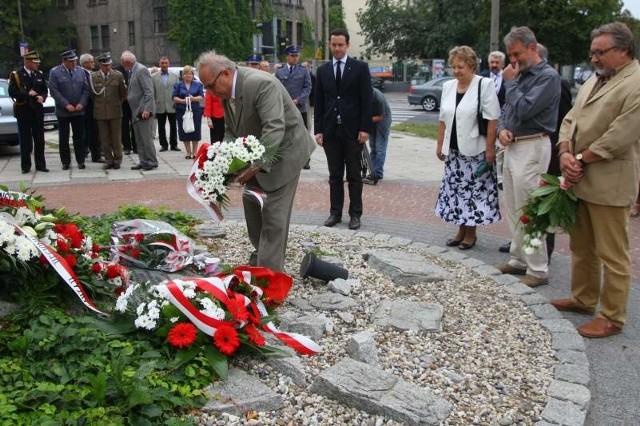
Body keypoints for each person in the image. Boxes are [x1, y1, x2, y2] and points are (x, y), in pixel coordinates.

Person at [550, 22, 640, 338]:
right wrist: (564, 152)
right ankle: (584, 298)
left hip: (610, 181)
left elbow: (622, 133)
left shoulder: (636, 82)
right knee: (582, 245)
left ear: (623, 50)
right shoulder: (594, 80)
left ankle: (612, 316)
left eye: (600, 52)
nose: (594, 58)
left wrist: (580, 159)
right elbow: (571, 119)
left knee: (613, 253)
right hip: (580, 178)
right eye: (593, 52)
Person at [196, 50, 315, 272]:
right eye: (206, 87)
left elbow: (274, 127)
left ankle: (269, 276)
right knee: (252, 206)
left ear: (225, 74)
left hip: (285, 153)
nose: (209, 92)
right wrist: (223, 161)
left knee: (273, 217)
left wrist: (256, 166)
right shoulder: (225, 93)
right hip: (254, 154)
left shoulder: (261, 84)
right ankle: (262, 253)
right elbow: (232, 131)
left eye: (210, 85)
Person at [496, 26, 560, 288]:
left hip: (533, 146)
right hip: (513, 146)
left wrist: (510, 83)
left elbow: (525, 109)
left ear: (532, 48)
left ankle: (538, 267)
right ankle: (518, 258)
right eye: (510, 54)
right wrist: (501, 130)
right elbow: (507, 111)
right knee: (512, 206)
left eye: (516, 53)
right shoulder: (519, 75)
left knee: (530, 210)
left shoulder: (547, 77)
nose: (513, 60)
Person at [435, 46, 501, 250]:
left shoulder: (485, 84)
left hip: (475, 151)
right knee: (456, 192)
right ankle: (461, 229)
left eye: (460, 67)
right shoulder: (448, 86)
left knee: (473, 193)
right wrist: (439, 144)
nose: (456, 71)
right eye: (453, 66)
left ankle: (471, 233)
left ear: (471, 66)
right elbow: (443, 119)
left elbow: (492, 119)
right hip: (454, 151)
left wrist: (490, 149)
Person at [314, 28, 373, 230]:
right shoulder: (323, 71)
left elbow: (367, 101)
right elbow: (319, 102)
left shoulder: (360, 68)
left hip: (353, 131)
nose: (337, 48)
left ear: (347, 45)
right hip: (331, 131)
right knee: (334, 175)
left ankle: (355, 215)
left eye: (340, 44)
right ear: (330, 45)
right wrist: (318, 130)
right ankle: (335, 213)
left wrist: (366, 129)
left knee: (355, 176)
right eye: (334, 45)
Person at [8, 51, 49, 174]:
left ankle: (41, 165)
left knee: (39, 139)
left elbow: (44, 90)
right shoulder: (16, 75)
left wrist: (43, 97)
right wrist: (27, 94)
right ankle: (25, 166)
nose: (37, 65)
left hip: (37, 111)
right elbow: (12, 93)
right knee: (25, 140)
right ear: (28, 62)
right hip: (24, 111)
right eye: (35, 63)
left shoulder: (39, 74)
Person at [48, 49, 90, 170]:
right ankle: (65, 162)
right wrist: (66, 104)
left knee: (79, 136)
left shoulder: (81, 72)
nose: (74, 63)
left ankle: (81, 160)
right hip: (63, 112)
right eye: (71, 61)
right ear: (64, 61)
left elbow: (86, 89)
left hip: (78, 110)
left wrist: (82, 103)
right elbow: (54, 91)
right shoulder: (55, 72)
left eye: (75, 61)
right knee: (64, 137)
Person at [90, 53, 127, 170]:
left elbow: (123, 94)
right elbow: (92, 95)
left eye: (109, 65)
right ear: (100, 65)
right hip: (100, 112)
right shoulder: (94, 76)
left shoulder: (118, 76)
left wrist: (116, 103)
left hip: (115, 111)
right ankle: (108, 160)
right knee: (104, 138)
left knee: (116, 138)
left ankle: (117, 160)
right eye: (104, 65)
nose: (107, 67)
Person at [121, 51, 157, 171]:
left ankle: (151, 161)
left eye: (123, 62)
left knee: (146, 139)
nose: (122, 64)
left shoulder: (141, 70)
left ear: (126, 62)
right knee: (139, 139)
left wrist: (147, 109)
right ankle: (143, 161)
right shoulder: (132, 71)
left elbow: (149, 91)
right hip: (135, 111)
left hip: (143, 111)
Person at [172, 65, 204, 159]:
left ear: (192, 75)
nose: (188, 76)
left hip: (195, 110)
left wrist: (193, 98)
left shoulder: (198, 84)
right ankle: (188, 152)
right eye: (186, 74)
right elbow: (174, 97)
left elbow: (201, 97)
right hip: (182, 110)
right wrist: (182, 101)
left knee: (195, 130)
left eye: (189, 74)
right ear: (183, 76)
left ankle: (194, 152)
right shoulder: (178, 85)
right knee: (184, 130)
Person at [79, 53, 104, 163]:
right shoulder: (81, 74)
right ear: (85, 63)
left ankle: (95, 151)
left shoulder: (93, 73)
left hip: (95, 106)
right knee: (90, 131)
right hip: (87, 106)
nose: (93, 63)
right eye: (91, 62)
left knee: (94, 131)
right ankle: (94, 154)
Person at [152, 56, 180, 152]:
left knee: (173, 126)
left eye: (166, 63)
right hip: (159, 104)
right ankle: (163, 145)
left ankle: (174, 144)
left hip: (172, 104)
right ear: (159, 64)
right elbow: (152, 91)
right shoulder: (154, 77)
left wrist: (177, 101)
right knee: (161, 126)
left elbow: (178, 91)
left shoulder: (175, 76)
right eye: (162, 63)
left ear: (169, 64)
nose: (164, 65)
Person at [367, 86, 392, 184]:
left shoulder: (378, 97)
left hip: (382, 122)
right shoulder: (365, 93)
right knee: (373, 147)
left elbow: (380, 117)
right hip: (372, 120)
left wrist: (365, 120)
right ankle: (373, 172)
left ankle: (377, 173)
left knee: (380, 149)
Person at [115, 51, 136, 155]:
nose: (126, 63)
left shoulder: (135, 69)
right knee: (124, 125)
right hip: (123, 102)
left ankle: (136, 146)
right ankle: (127, 146)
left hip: (134, 102)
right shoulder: (117, 70)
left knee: (135, 124)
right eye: (124, 61)